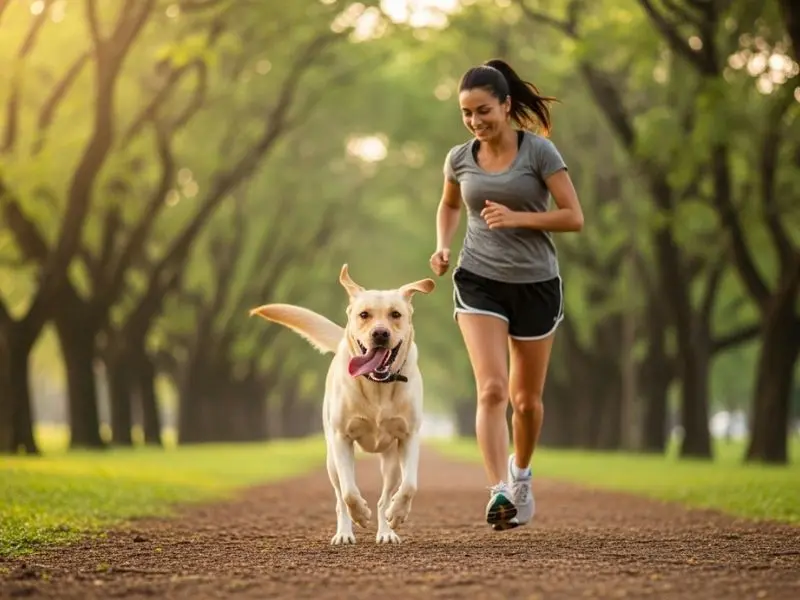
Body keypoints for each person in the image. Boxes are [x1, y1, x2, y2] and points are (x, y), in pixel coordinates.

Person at [429, 58, 584, 530]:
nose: (475, 121)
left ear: (506, 105)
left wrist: (518, 218)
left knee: (526, 402)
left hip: (537, 284)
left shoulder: (539, 153)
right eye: (466, 114)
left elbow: (573, 216)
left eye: (483, 111)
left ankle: (520, 473)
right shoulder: (459, 158)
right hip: (479, 280)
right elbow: (450, 204)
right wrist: (441, 245)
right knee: (492, 389)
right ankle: (498, 490)